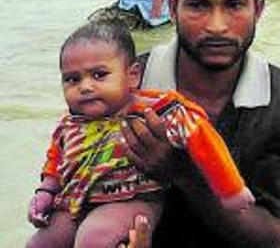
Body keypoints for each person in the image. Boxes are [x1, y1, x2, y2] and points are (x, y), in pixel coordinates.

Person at [124, 0, 280, 247]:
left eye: (234, 5)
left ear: (259, 9)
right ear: (172, 9)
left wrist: (183, 172)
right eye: (198, 5)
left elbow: (269, 238)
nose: (216, 25)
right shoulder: (128, 86)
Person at [27, 21, 253, 248]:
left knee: (94, 238)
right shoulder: (70, 122)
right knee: (40, 243)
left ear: (132, 75)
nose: (85, 87)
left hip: (130, 200)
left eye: (99, 75)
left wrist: (231, 190)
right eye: (72, 79)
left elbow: (202, 138)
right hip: (74, 201)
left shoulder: (156, 111)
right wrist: (47, 190)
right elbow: (56, 158)